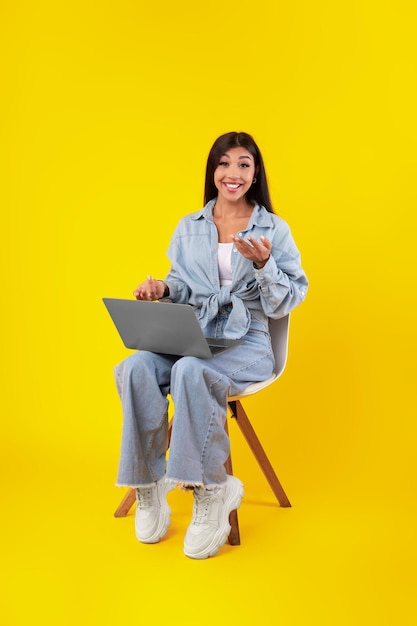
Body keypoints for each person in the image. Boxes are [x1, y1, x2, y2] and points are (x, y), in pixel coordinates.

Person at [114, 131, 308, 559]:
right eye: (223, 163)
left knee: (189, 371)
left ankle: (210, 490)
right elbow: (184, 284)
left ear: (255, 174)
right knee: (137, 367)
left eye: (243, 164)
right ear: (213, 171)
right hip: (196, 333)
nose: (232, 173)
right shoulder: (190, 226)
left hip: (250, 341)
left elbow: (287, 301)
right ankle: (148, 484)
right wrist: (162, 287)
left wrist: (263, 264)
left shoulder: (274, 229)